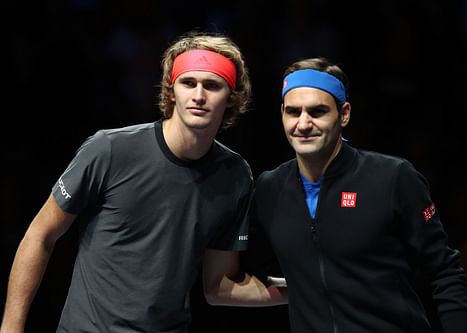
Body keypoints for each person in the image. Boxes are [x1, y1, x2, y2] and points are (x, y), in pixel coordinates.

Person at [0, 31, 287, 333]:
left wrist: (307, 287)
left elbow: (219, 286)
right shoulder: (109, 150)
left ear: (232, 97)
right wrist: (11, 328)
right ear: (171, 90)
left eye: (212, 85)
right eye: (188, 82)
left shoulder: (235, 176)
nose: (199, 95)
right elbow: (40, 235)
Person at [249, 57, 467, 333]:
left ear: (344, 114)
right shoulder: (269, 189)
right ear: (282, 113)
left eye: (317, 112)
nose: (303, 124)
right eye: (293, 112)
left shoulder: (393, 177)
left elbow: (445, 272)